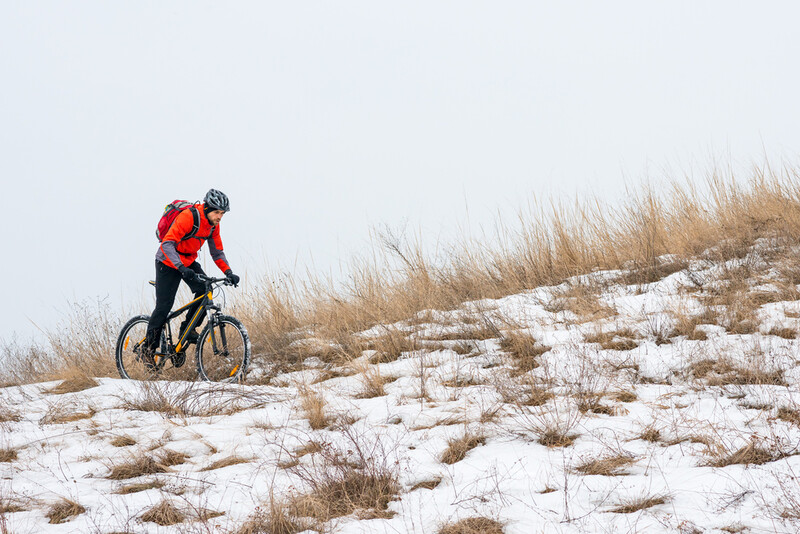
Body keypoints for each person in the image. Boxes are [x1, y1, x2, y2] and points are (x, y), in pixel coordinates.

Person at [143, 188, 240, 370]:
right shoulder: (189, 217)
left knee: (205, 290)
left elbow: (217, 252)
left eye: (222, 213)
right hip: (167, 261)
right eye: (217, 212)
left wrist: (228, 272)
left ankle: (187, 330)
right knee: (164, 306)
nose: (220, 217)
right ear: (208, 208)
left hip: (187, 260)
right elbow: (167, 243)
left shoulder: (213, 225)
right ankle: (148, 349)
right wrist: (180, 267)